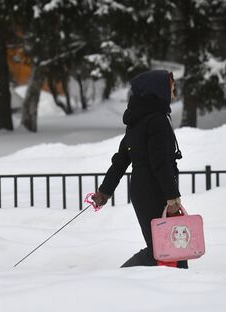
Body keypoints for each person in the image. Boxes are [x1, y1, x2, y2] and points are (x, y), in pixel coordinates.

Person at [91, 70, 187, 269]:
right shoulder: (156, 120)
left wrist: (105, 191)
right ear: (157, 89)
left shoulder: (139, 121)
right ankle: (122, 276)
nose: (173, 91)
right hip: (155, 190)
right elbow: (160, 162)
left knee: (171, 245)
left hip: (142, 190)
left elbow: (121, 160)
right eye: (170, 86)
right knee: (160, 247)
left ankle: (178, 282)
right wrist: (172, 197)